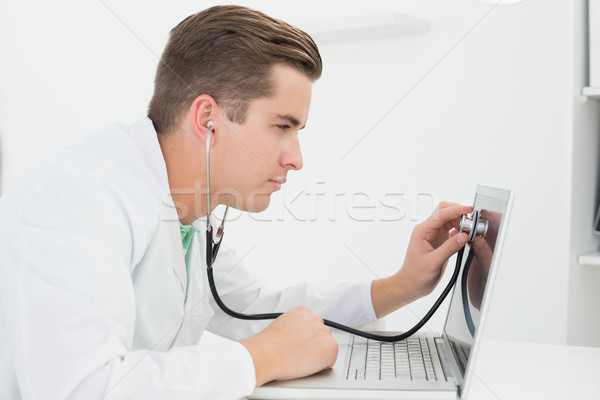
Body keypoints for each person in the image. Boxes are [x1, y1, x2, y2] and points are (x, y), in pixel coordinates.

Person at [0, 5, 471, 400]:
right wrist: (264, 357)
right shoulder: (79, 194)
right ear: (208, 118)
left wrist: (401, 286)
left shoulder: (188, 211)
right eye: (283, 127)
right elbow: (81, 387)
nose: (296, 159)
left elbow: (249, 309)